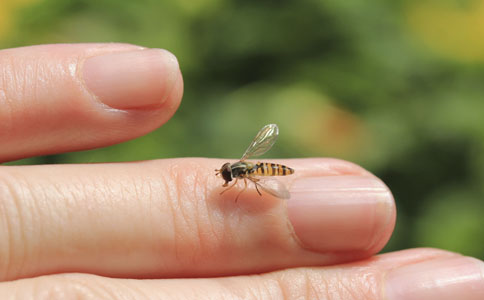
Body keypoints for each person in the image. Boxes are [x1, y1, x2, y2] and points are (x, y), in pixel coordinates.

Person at [0, 43, 482, 300]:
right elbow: (257, 169)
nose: (228, 179)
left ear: (237, 171)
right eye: (231, 176)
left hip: (274, 172)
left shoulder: (251, 175)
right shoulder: (246, 170)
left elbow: (262, 180)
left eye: (230, 176)